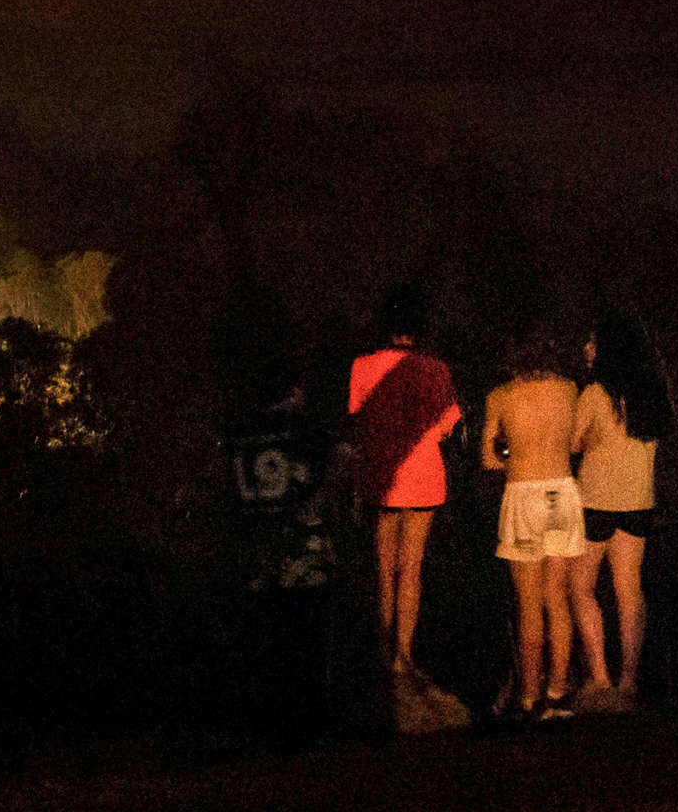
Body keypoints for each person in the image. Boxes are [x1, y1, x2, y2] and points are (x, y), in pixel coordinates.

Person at [347, 284, 469, 732]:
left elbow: (359, 418)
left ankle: (385, 655)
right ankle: (405, 657)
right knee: (412, 569)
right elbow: (448, 426)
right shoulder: (436, 369)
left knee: (384, 567)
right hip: (424, 476)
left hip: (382, 474)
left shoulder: (362, 366)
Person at [226, 358, 337, 742]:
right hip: (301, 548)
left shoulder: (239, 431)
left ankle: (268, 720)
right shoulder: (304, 428)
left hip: (258, 548)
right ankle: (308, 722)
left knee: (266, 636)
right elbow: (340, 458)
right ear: (293, 390)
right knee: (306, 635)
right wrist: (319, 502)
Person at [568, 310, 671, 713]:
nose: (586, 348)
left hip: (596, 500)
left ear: (607, 348)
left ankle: (599, 677)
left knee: (581, 588)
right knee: (630, 591)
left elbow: (574, 443)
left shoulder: (595, 393)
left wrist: (591, 439)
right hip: (638, 502)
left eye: (592, 342)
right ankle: (629, 680)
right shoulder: (650, 393)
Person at [482, 326, 584, 720]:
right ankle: (558, 691)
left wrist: (514, 458)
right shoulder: (568, 390)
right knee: (556, 597)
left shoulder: (500, 396)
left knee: (528, 604)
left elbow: (489, 458)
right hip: (561, 490)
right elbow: (574, 440)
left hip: (524, 491)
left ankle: (528, 694)